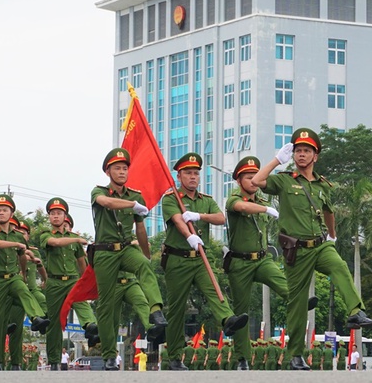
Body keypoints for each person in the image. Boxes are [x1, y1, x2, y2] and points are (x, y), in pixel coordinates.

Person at [252, 128, 372, 370]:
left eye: (306, 151)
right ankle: (296, 355)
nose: (301, 154)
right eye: (298, 150)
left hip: (320, 245)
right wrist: (278, 160)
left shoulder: (323, 186)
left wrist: (333, 236)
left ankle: (356, 311)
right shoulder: (284, 180)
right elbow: (257, 182)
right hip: (296, 251)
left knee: (339, 266)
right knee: (297, 303)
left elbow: (329, 211)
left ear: (315, 156)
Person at [224, 155, 317, 371]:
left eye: (256, 176)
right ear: (239, 181)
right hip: (239, 263)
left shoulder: (264, 200)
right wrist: (265, 210)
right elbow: (242, 208)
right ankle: (242, 359)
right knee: (241, 313)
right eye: (249, 177)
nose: (253, 181)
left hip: (262, 259)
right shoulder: (233, 199)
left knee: (287, 287)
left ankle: (300, 301)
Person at [161, 153, 248, 370]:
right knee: (177, 309)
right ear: (179, 176)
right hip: (177, 259)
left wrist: (199, 216)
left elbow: (220, 218)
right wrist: (188, 235)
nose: (193, 177)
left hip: (200, 258)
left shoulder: (206, 200)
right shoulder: (171, 198)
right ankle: (174, 356)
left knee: (214, 290)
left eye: (196, 173)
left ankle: (227, 320)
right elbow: (177, 220)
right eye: (188, 173)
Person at [90, 148, 168, 369]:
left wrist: (145, 253)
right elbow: (106, 203)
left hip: (126, 248)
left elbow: (140, 229)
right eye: (117, 168)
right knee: (105, 307)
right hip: (105, 252)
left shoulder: (136, 195)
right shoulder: (99, 191)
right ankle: (108, 355)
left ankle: (156, 311)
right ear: (108, 172)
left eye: (125, 168)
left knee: (143, 265)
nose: (122, 172)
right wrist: (132, 205)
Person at [0, 194, 49, 371]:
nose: (1, 213)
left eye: (4, 210)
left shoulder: (18, 236)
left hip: (12, 277)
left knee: (22, 289)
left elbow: (22, 258)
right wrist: (16, 245)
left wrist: (22, 273)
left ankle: (36, 318)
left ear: (11, 213)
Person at [39, 198, 99, 370]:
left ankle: (89, 325)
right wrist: (77, 240)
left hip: (73, 279)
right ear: (49, 217)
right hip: (55, 282)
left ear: (65, 216)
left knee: (81, 302)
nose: (56, 216)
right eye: (53, 213)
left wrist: (87, 283)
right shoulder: (46, 235)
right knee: (55, 322)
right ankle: (54, 360)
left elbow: (82, 263)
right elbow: (55, 243)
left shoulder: (74, 239)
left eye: (59, 213)